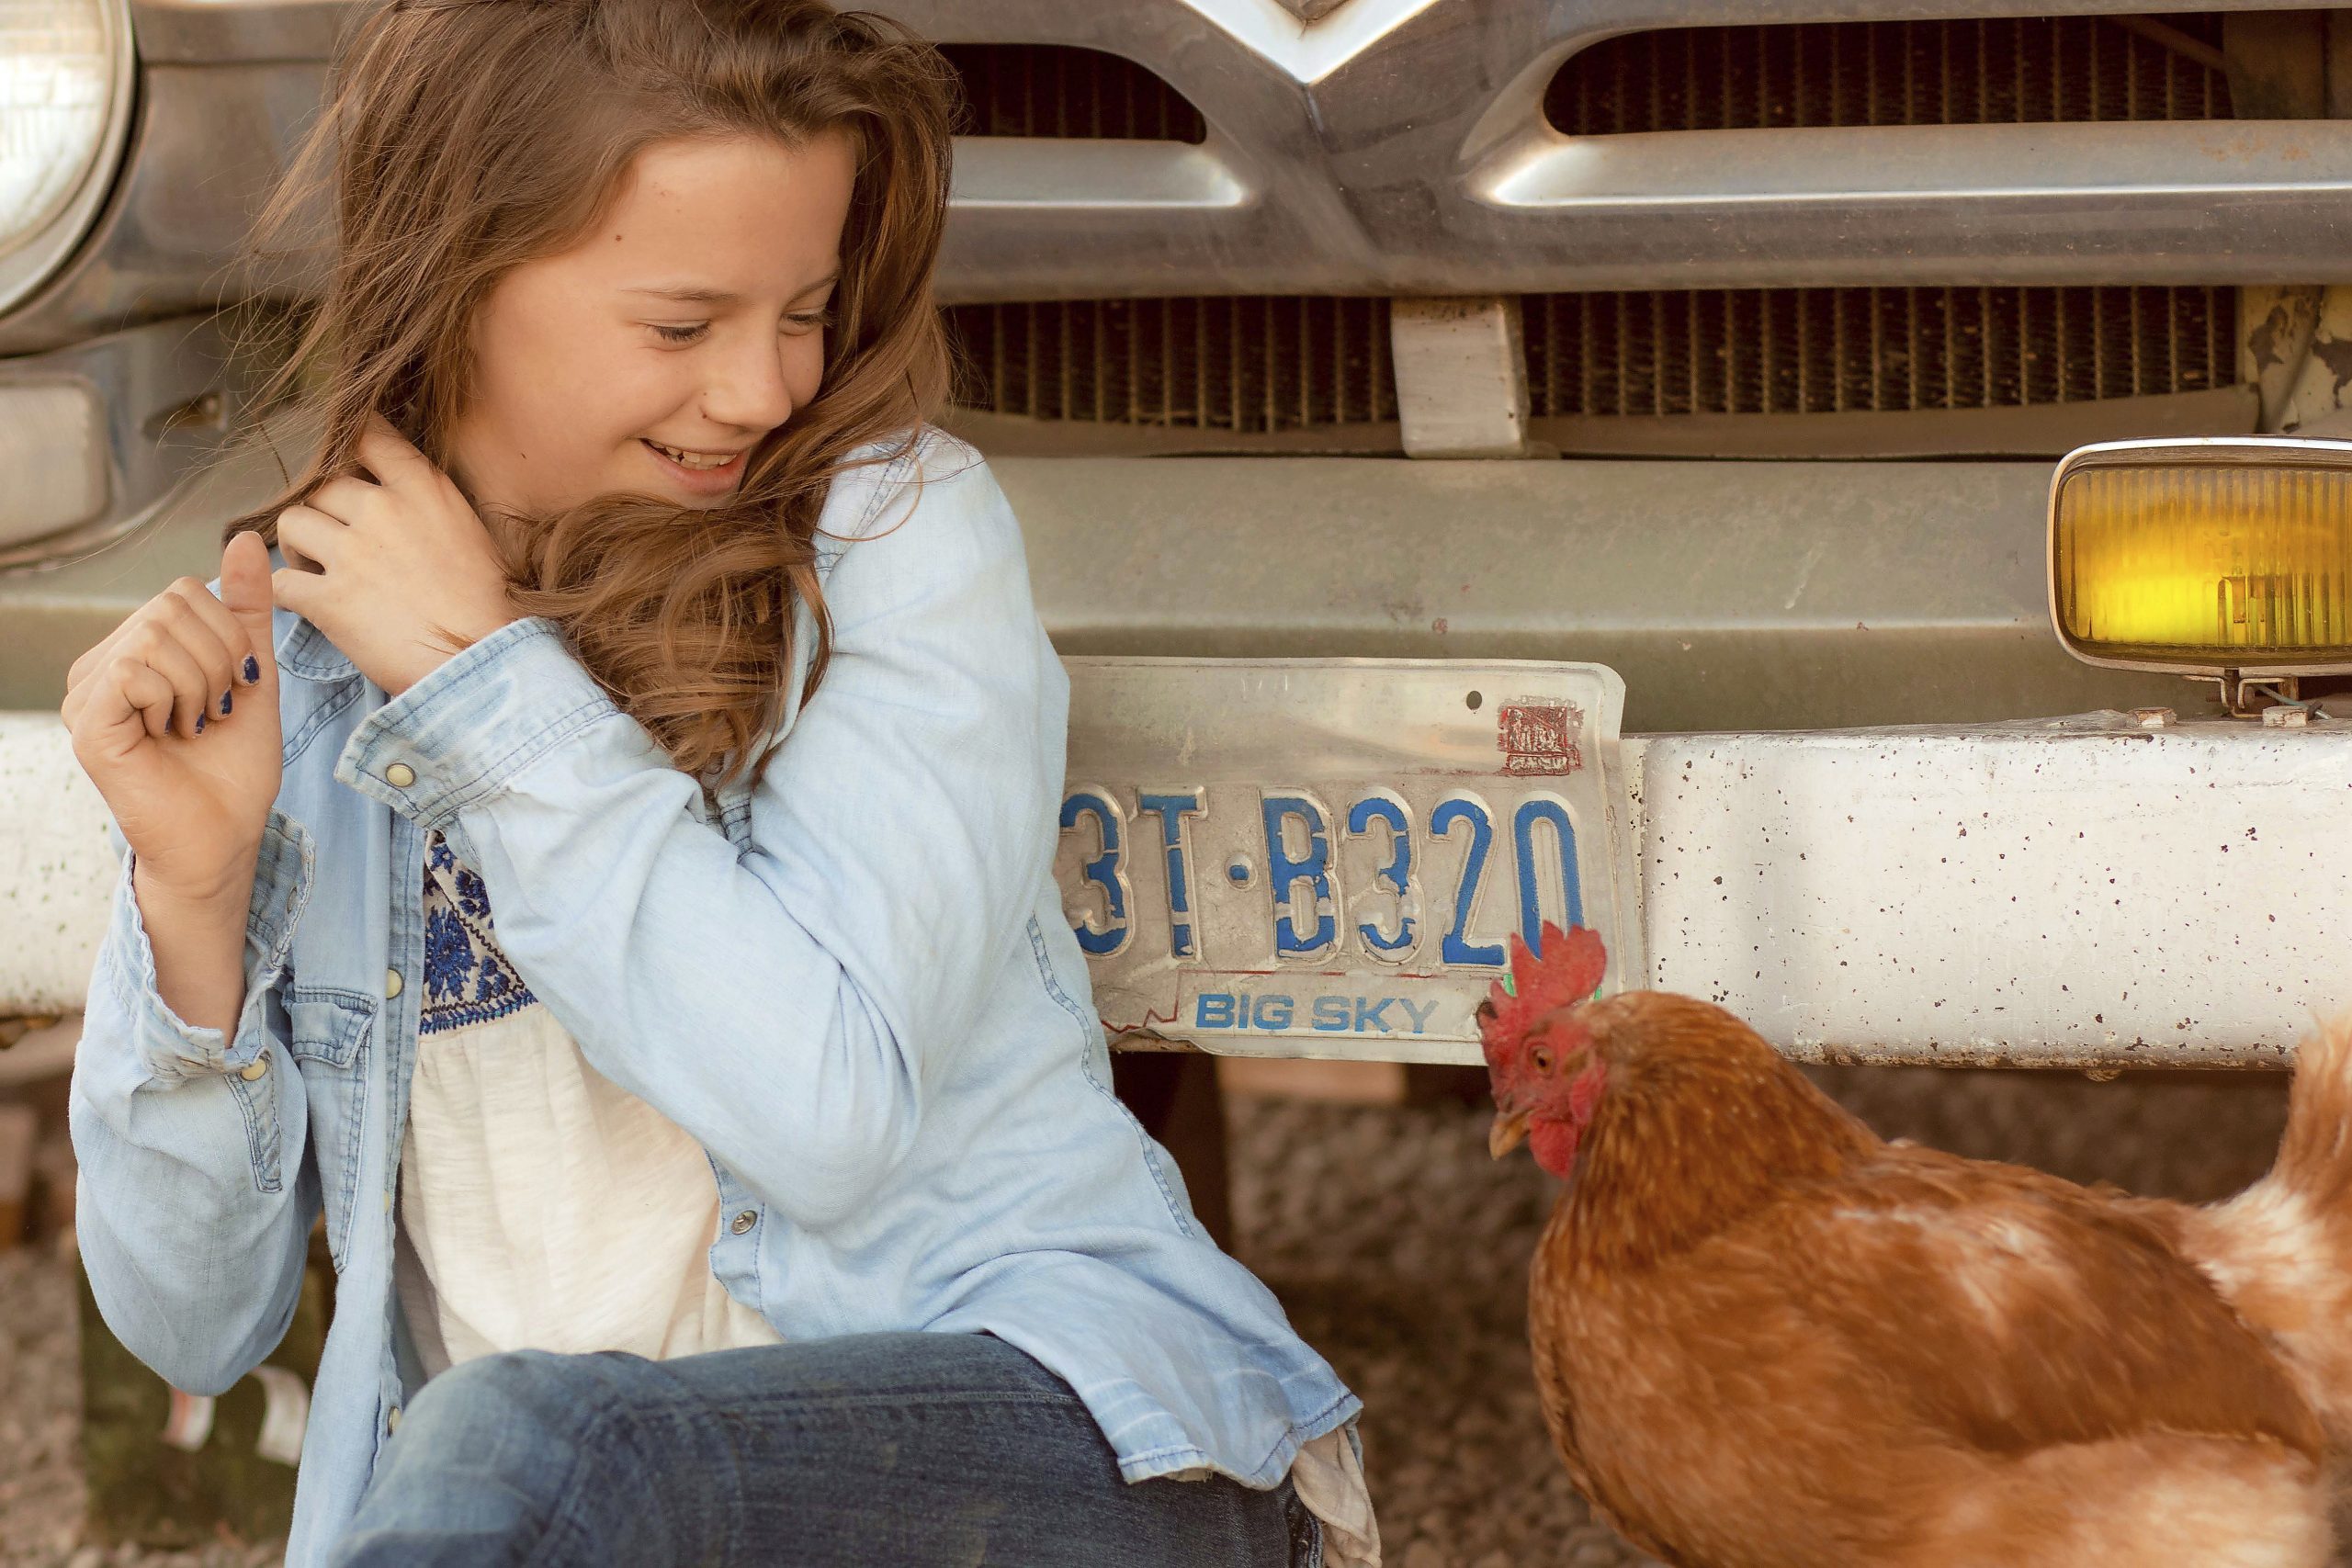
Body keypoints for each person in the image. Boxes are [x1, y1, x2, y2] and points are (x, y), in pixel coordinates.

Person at [61, 1, 1379, 1562]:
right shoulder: (318, 666)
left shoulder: (892, 542)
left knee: (535, 1437)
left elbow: (821, 1112)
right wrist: (192, 905)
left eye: (803, 312)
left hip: (1073, 1459)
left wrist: (490, 689)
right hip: (592, 1527)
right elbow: (193, 1328)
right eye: (684, 328)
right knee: (534, 1451)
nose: (763, 392)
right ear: (458, 286)